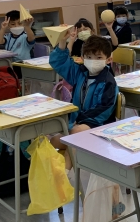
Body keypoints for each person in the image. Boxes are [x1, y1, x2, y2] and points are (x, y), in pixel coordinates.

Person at [49, 32, 119, 169]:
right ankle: (58, 171)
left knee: (75, 134)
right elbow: (59, 63)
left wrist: (80, 120)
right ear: (82, 58)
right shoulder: (79, 73)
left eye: (99, 57)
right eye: (89, 57)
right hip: (78, 123)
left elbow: (104, 109)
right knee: (53, 141)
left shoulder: (108, 81)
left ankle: (67, 174)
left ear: (108, 59)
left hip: (100, 125)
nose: (93, 61)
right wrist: (62, 43)